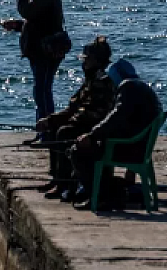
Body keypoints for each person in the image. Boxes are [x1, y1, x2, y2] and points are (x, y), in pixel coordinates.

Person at [67, 60, 162, 209]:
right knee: (96, 146)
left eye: (111, 80)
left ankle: (100, 196)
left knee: (77, 152)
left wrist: (92, 135)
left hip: (130, 148)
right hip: (141, 148)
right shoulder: (141, 87)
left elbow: (116, 117)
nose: (110, 84)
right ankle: (112, 192)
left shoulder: (127, 86)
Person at [36, 36, 115, 200]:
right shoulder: (90, 80)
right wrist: (50, 120)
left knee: (64, 132)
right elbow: (73, 107)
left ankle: (65, 184)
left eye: (87, 60)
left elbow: (95, 114)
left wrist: (71, 120)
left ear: (97, 61)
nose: (83, 63)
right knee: (53, 129)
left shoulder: (102, 82)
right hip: (84, 123)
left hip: (95, 130)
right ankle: (57, 179)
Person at [1, 0, 66, 135]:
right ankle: (42, 129)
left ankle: (47, 130)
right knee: (40, 90)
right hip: (40, 52)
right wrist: (16, 26)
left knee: (42, 91)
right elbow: (37, 24)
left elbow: (27, 12)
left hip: (45, 53)